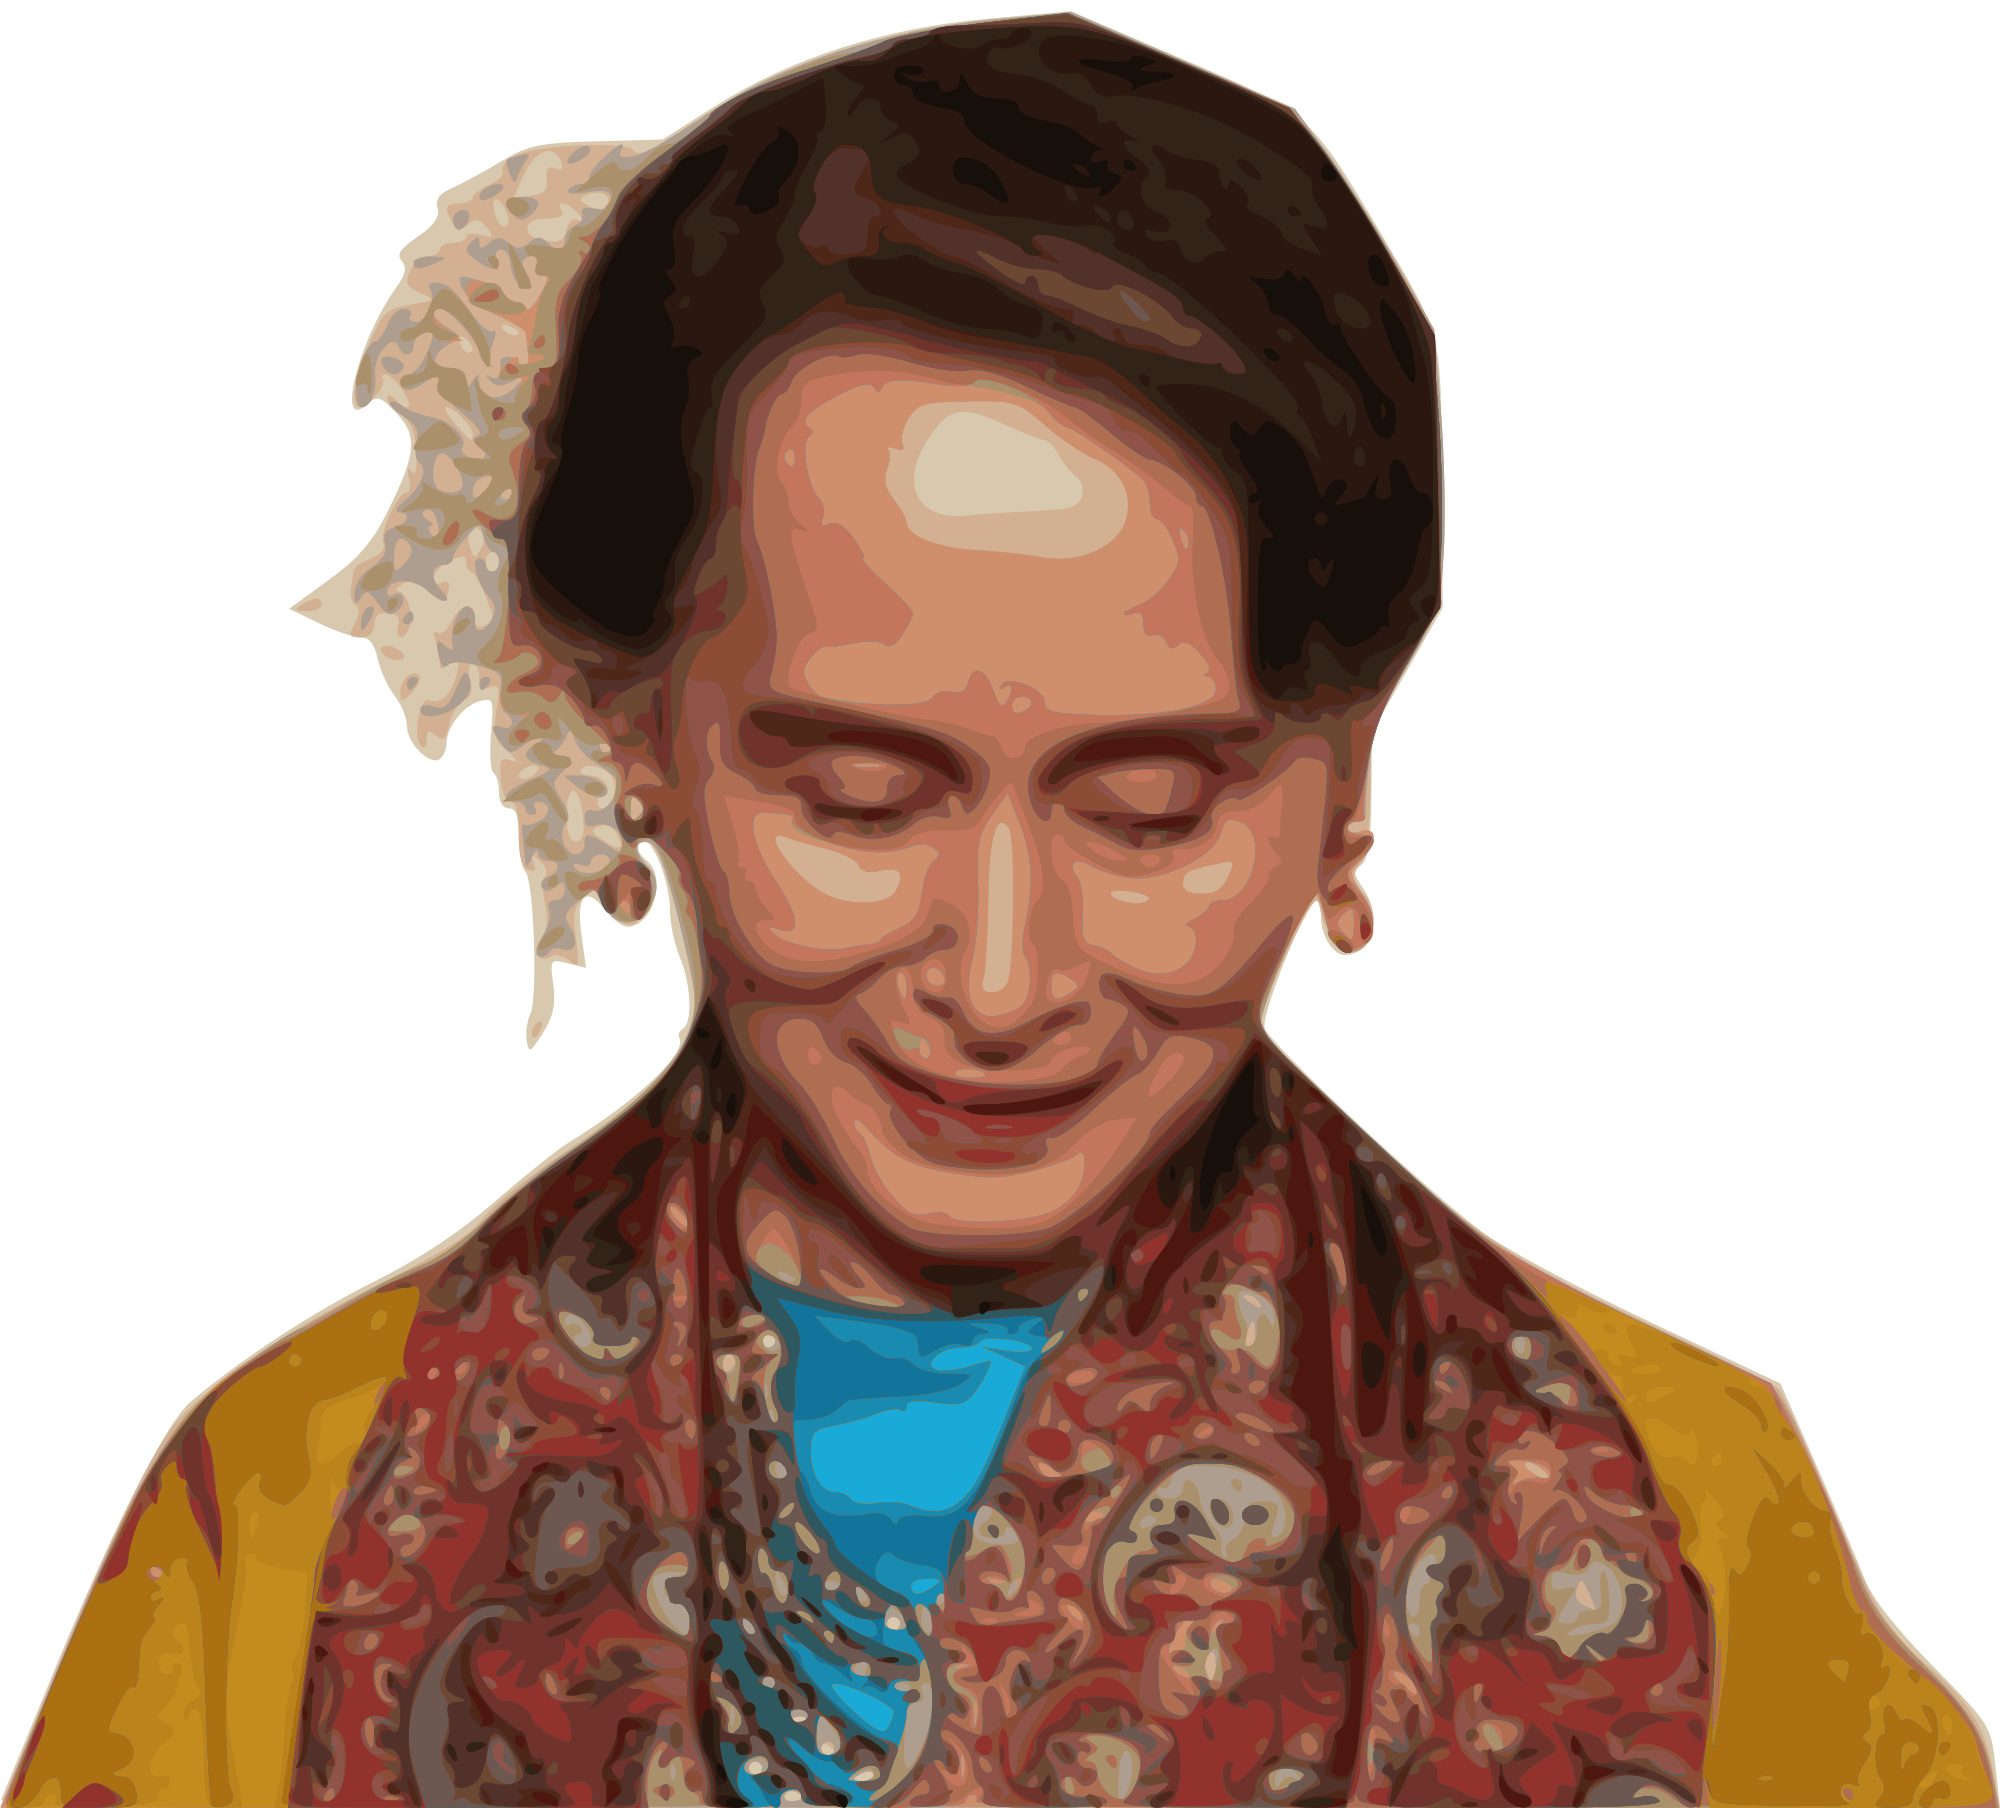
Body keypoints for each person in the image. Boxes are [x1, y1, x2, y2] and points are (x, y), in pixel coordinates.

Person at [12, 17, 1991, 1808]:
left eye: (1149, 812)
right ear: (628, 730)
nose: (1000, 974)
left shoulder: (1690, 1534)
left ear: (1349, 776)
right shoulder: (281, 1520)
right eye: (857, 801)